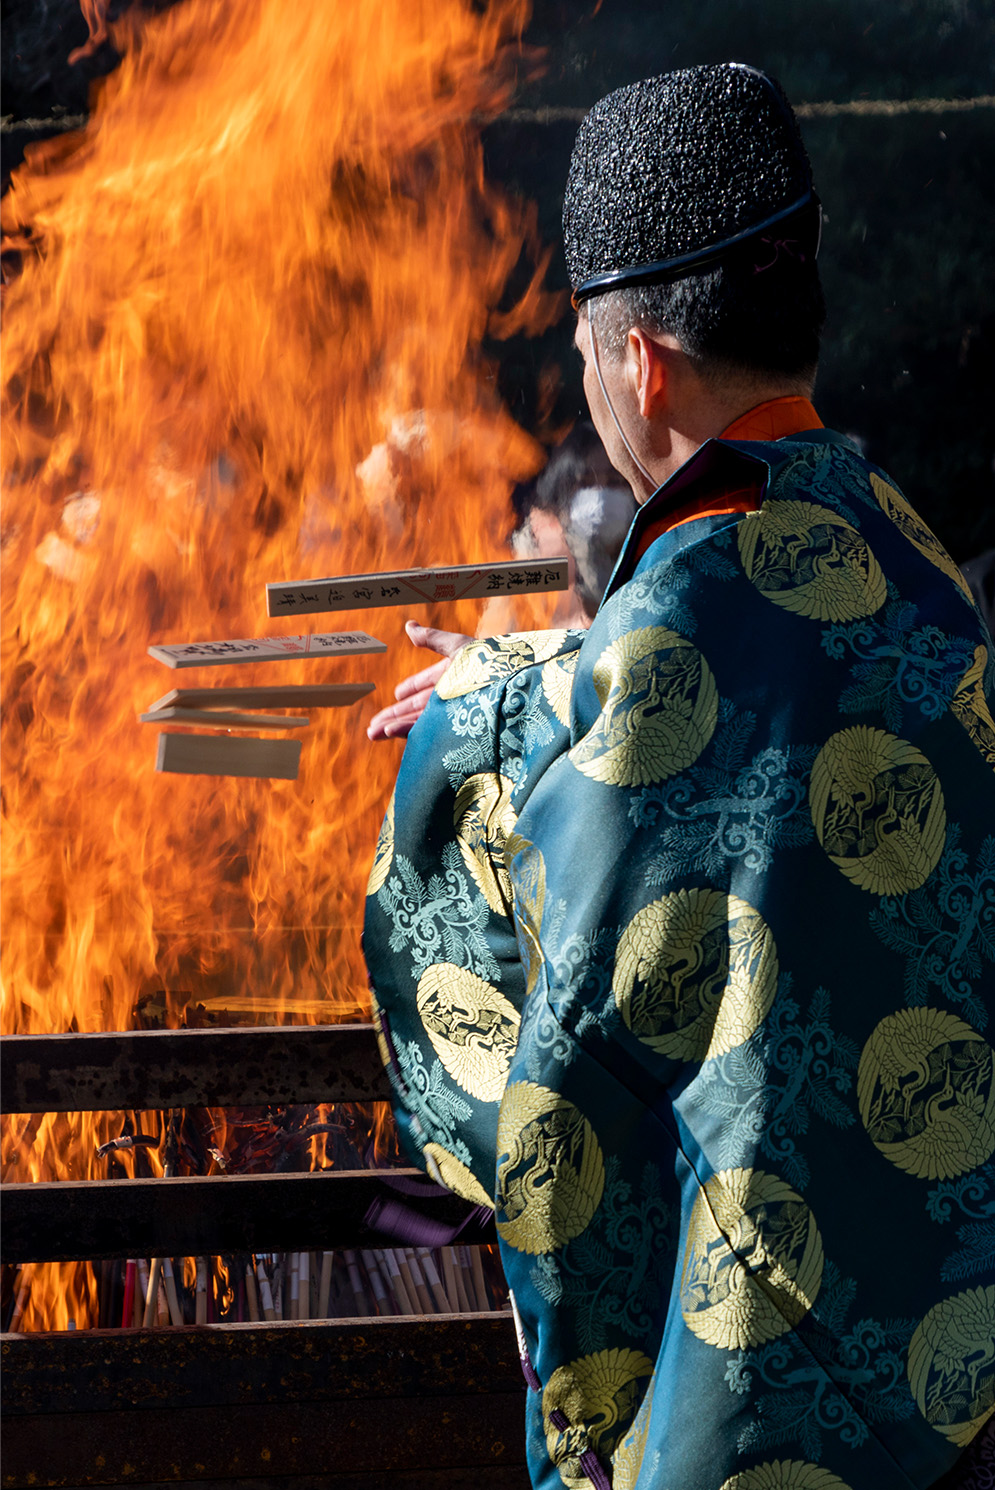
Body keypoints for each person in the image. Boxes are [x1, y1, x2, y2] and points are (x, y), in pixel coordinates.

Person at [363, 63, 995, 1490]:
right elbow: (767, 679)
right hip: (958, 1374)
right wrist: (543, 674)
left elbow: (566, 1081)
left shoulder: (654, 651)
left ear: (638, 362)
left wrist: (479, 728)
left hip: (758, 1400)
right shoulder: (919, 566)